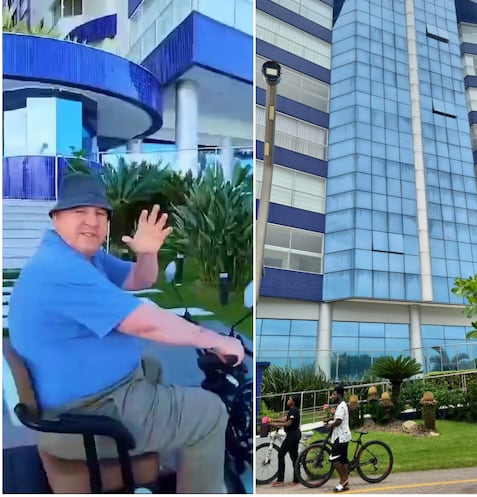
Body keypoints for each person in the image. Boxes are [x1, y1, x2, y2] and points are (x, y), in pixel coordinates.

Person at [8, 173, 245, 493]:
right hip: (89, 411)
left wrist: (147, 253)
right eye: (80, 212)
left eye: (100, 213)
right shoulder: (60, 270)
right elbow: (145, 322)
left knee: (153, 366)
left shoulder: (84, 258)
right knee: (209, 412)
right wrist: (215, 339)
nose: (92, 221)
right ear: (57, 218)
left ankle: (163, 456)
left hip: (93, 393)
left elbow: (138, 280)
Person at [269, 395, 302, 488]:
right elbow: (285, 419)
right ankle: (280, 480)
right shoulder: (291, 410)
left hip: (293, 435)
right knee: (280, 454)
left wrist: (277, 424)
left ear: (293, 402)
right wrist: (272, 420)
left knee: (294, 457)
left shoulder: (294, 410)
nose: (288, 400)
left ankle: (297, 480)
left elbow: (288, 423)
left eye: (289, 399)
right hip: (290, 435)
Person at [325, 384, 352, 493]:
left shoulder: (341, 406)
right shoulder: (342, 405)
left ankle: (343, 481)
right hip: (343, 436)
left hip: (340, 437)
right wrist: (330, 418)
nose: (332, 396)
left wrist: (330, 425)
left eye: (334, 394)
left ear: (339, 394)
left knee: (334, 459)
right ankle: (345, 483)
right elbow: (338, 417)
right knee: (343, 460)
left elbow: (339, 421)